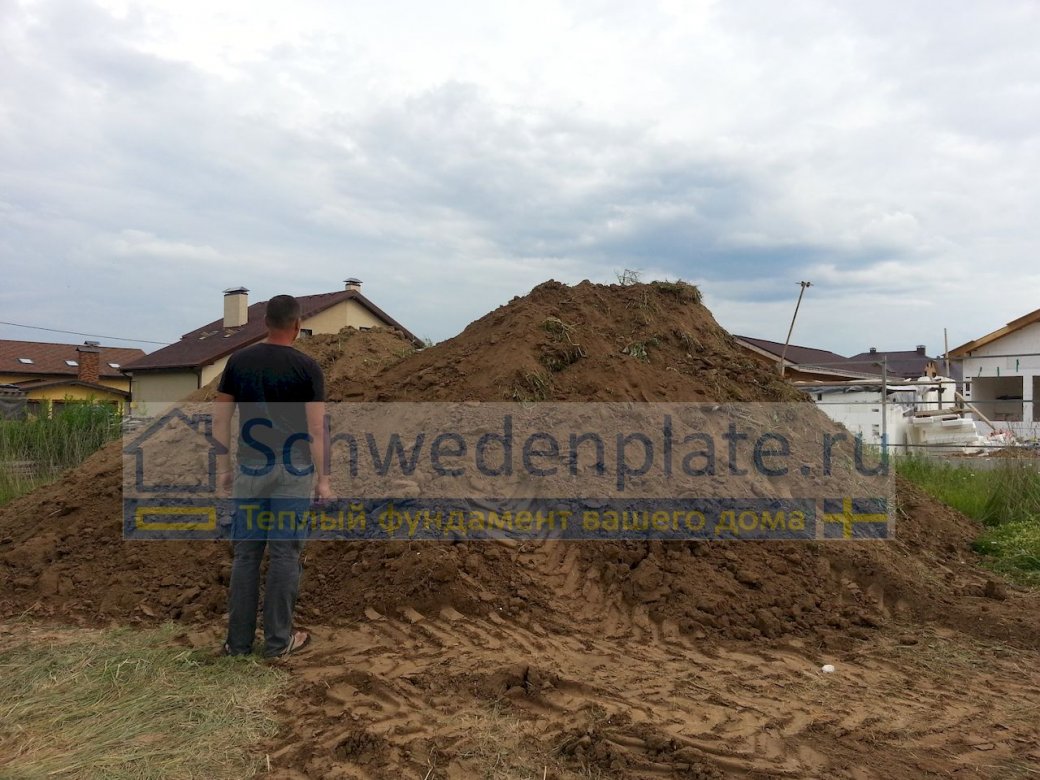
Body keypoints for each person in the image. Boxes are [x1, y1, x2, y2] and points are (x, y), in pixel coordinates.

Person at [213, 294, 332, 657]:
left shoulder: (239, 361)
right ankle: (278, 643)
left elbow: (220, 420)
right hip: (293, 471)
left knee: (246, 556)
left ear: (265, 323)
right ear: (297, 325)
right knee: (284, 555)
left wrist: (223, 468)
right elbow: (316, 429)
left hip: (250, 467)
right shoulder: (307, 367)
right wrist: (324, 480)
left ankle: (238, 644)